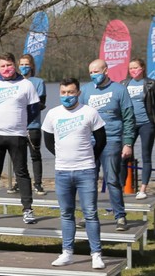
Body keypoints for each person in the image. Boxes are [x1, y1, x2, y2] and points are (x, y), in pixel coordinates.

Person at [42, 78, 107, 269]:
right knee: (66, 213)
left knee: (90, 213)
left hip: (86, 171)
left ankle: (96, 254)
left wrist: (90, 158)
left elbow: (101, 140)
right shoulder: (53, 114)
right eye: (63, 93)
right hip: (62, 172)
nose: (67, 96)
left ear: (78, 93)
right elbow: (48, 141)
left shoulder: (89, 112)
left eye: (70, 92)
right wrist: (61, 155)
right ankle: (67, 252)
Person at [0, 52, 40, 224]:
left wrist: (19, 122)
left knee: (22, 172)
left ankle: (27, 210)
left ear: (15, 65)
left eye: (9, 65)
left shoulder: (26, 85)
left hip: (17, 135)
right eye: (3, 66)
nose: (6, 69)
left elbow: (33, 110)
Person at [80, 59, 134, 231]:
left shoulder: (120, 90)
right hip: (91, 141)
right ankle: (88, 215)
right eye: (91, 72)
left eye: (97, 71)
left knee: (112, 180)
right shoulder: (86, 90)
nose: (94, 74)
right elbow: (79, 116)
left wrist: (128, 143)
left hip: (112, 140)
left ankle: (120, 216)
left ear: (106, 71)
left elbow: (128, 118)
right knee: (89, 180)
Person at [14, 54, 48, 195]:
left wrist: (26, 108)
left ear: (32, 66)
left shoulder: (39, 82)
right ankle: (18, 183)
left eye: (27, 64)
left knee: (35, 155)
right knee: (18, 156)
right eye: (21, 64)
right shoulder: (14, 82)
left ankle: (38, 184)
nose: (24, 67)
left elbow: (41, 104)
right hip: (17, 127)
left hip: (33, 126)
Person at [122, 58, 154, 199]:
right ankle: (122, 187)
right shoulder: (124, 84)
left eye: (135, 67)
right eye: (130, 68)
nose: (133, 70)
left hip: (147, 123)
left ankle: (142, 189)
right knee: (124, 155)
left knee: (146, 155)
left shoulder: (150, 84)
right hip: (129, 124)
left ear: (142, 68)